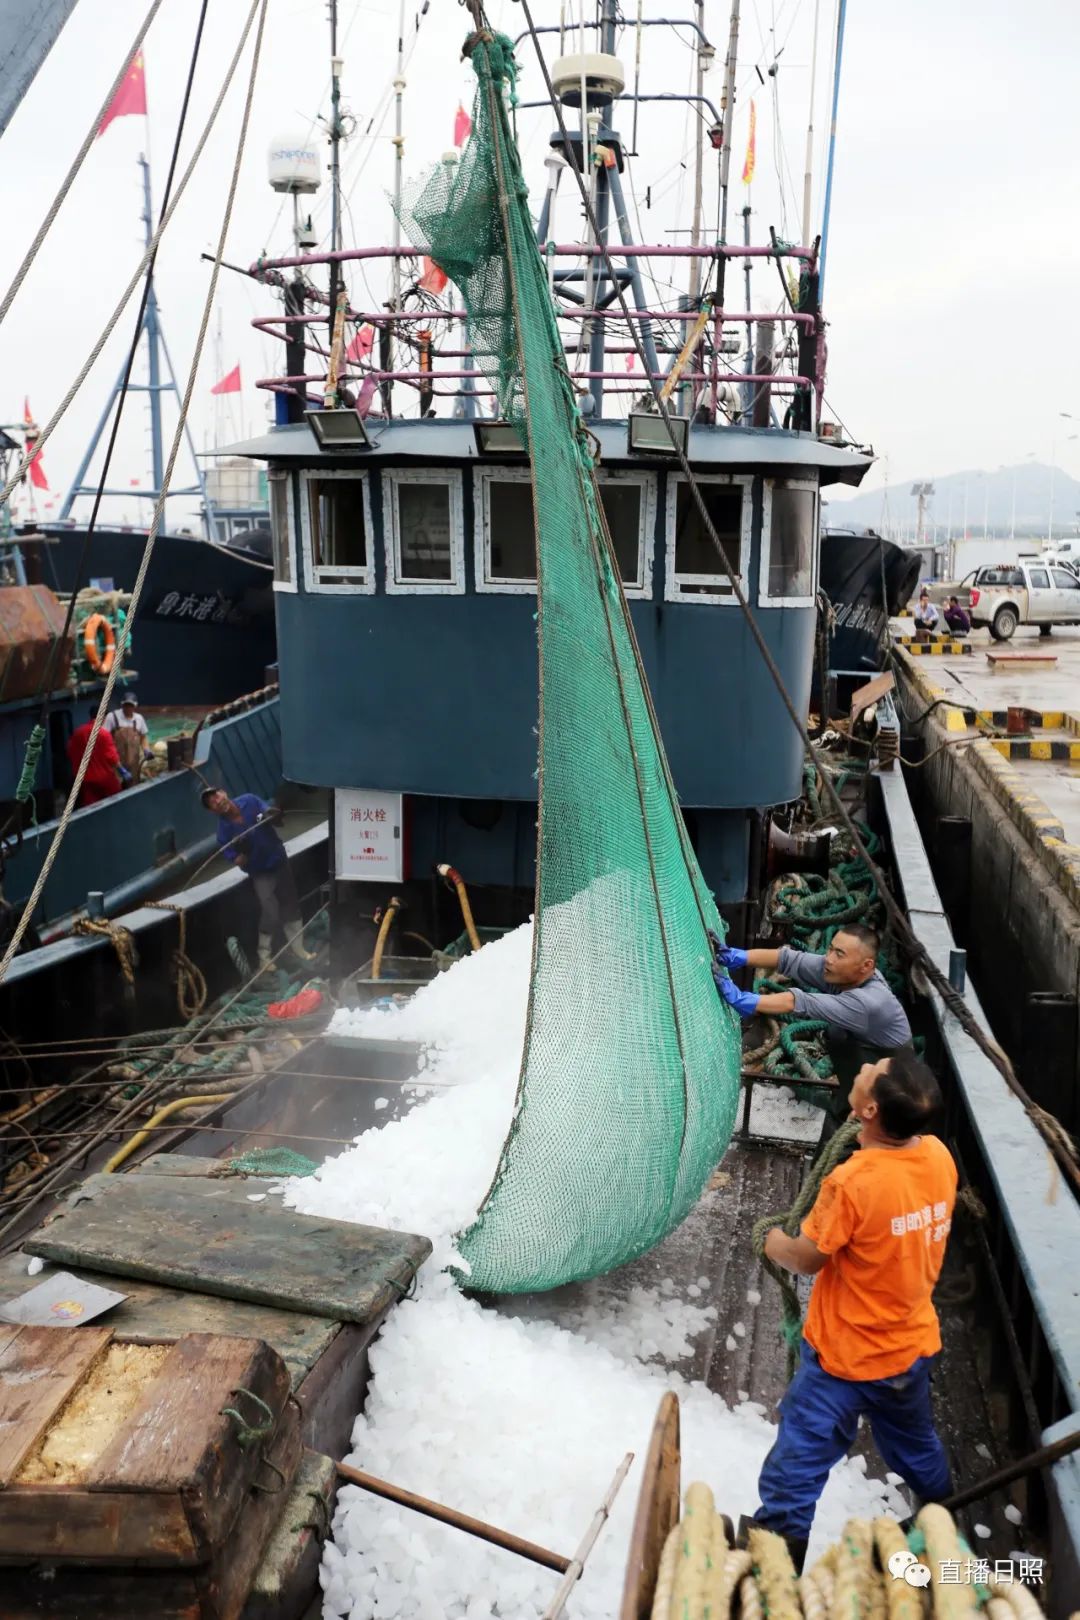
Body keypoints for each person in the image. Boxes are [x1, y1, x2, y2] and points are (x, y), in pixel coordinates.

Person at [747, 1050, 956, 1571]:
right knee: (916, 1446)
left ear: (867, 1111)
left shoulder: (853, 1183)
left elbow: (807, 1259)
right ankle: (942, 1520)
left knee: (799, 1459)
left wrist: (772, 1241)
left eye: (873, 1072)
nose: (867, 1066)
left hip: (843, 1361)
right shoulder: (936, 1157)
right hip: (909, 1351)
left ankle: (777, 1554)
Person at [714, 925, 912, 1136]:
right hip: (857, 1089)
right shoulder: (842, 971)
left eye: (839, 954)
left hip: (891, 1104)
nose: (829, 958)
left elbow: (800, 1002)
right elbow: (788, 959)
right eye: (831, 949)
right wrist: (737, 956)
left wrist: (742, 999)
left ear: (866, 966)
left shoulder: (867, 1003)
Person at [201, 787, 304, 970]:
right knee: (270, 910)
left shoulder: (250, 800)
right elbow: (238, 861)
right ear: (212, 811)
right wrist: (244, 850)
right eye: (212, 803)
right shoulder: (223, 834)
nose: (217, 801)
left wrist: (274, 814)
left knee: (290, 902)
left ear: (224, 792)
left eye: (216, 796)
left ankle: (298, 947)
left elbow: (268, 813)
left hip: (278, 859)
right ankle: (264, 956)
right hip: (260, 872)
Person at [67, 709, 128, 807]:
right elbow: (112, 757)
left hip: (85, 779)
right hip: (105, 778)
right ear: (104, 717)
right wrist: (122, 770)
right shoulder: (104, 734)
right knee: (118, 803)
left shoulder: (77, 733)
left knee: (91, 806)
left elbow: (70, 752)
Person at [103, 693, 153, 783]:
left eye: (131, 705)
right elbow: (104, 738)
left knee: (133, 785)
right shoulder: (112, 717)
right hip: (116, 763)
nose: (128, 708)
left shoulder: (139, 718)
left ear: (135, 706)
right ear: (122, 705)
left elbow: (143, 737)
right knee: (116, 787)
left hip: (133, 762)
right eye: (126, 705)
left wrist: (146, 750)